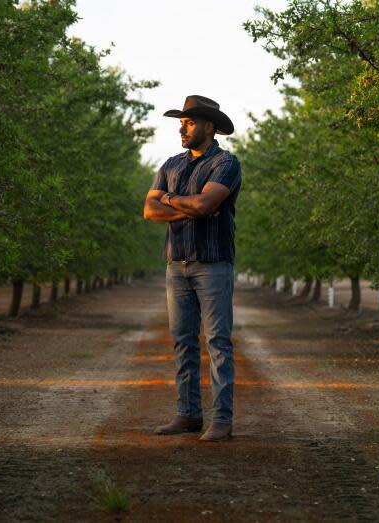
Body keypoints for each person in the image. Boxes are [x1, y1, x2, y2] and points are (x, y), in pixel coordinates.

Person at [143, 95, 241, 442]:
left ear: (209, 126)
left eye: (189, 122)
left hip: (213, 264)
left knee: (217, 342)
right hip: (176, 264)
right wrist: (182, 204)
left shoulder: (225, 164)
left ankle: (222, 421)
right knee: (183, 342)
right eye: (180, 123)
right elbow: (150, 211)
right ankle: (188, 415)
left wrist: (169, 200)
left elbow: (207, 203)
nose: (182, 128)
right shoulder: (170, 164)